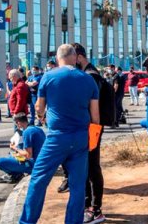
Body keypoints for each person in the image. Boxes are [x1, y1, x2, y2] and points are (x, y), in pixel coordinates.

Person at [19, 44, 100, 224]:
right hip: (81, 138)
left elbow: (39, 107)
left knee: (39, 179)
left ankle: (27, 221)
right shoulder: (89, 80)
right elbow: (95, 117)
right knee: (78, 186)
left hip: (57, 137)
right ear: (75, 57)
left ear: (58, 58)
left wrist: (42, 116)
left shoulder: (48, 76)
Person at [73, 43, 107, 224]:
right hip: (87, 127)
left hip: (92, 128)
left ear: (78, 57)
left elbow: (91, 105)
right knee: (86, 168)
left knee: (92, 168)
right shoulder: (87, 74)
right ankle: (88, 206)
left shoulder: (91, 76)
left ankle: (96, 209)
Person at [0, 113, 46, 184]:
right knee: (11, 154)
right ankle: (16, 173)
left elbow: (28, 155)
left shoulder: (27, 132)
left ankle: (15, 175)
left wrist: (15, 148)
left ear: (18, 123)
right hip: (42, 162)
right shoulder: (37, 129)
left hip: (35, 165)